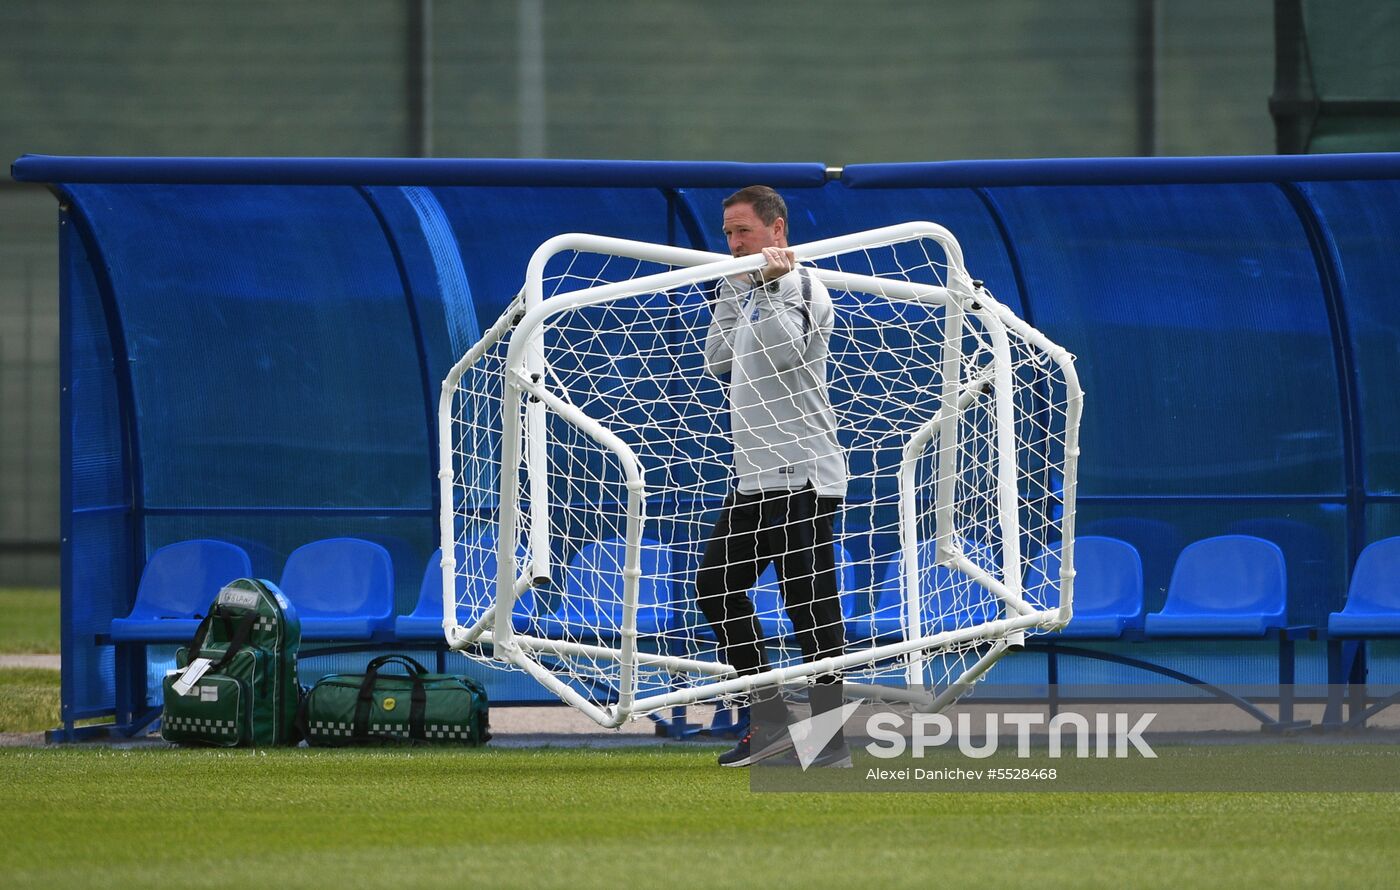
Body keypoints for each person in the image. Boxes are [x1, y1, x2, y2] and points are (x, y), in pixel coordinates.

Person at [696, 185, 850, 768]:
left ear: (777, 230)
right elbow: (719, 363)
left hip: (805, 474)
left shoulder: (801, 285)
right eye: (728, 233)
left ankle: (828, 741)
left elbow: (785, 352)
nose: (734, 244)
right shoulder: (744, 286)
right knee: (715, 586)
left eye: (745, 232)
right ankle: (771, 725)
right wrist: (736, 293)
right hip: (754, 478)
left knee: (808, 601)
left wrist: (766, 288)